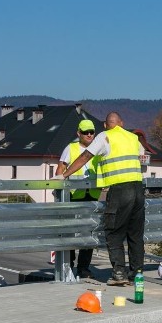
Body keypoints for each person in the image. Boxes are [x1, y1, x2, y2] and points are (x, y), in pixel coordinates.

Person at [58, 112, 145, 286]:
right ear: (121, 123)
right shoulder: (132, 137)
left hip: (119, 190)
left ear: (105, 125)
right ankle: (136, 274)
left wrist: (65, 175)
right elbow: (142, 155)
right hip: (138, 188)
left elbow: (85, 157)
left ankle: (119, 273)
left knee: (113, 231)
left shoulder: (104, 137)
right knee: (135, 234)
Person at [55, 119, 101, 279]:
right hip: (73, 196)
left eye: (91, 132)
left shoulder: (98, 150)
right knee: (70, 231)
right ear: (78, 133)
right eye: (85, 132)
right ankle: (69, 265)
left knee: (88, 232)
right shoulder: (71, 148)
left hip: (91, 195)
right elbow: (61, 167)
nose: (89, 135)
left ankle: (83, 268)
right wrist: (58, 187)